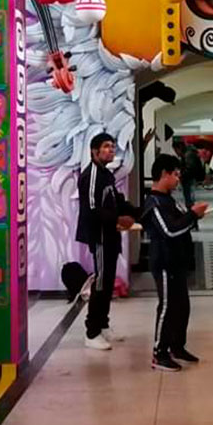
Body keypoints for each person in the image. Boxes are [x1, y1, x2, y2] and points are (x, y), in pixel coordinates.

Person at [143, 154, 208, 371]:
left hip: (178, 261)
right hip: (164, 262)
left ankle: (176, 346)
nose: (179, 179)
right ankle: (159, 353)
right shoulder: (153, 202)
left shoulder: (169, 199)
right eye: (176, 175)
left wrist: (192, 216)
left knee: (182, 306)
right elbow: (170, 230)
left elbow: (182, 222)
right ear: (164, 174)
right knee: (167, 307)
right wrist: (192, 216)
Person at [76, 132, 140, 351]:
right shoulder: (91, 175)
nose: (111, 150)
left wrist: (135, 212)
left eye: (112, 146)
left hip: (111, 235)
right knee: (101, 283)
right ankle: (91, 332)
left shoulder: (107, 174)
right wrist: (118, 218)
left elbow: (116, 201)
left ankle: (103, 325)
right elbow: (92, 209)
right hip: (100, 236)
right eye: (106, 147)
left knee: (108, 281)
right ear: (94, 151)